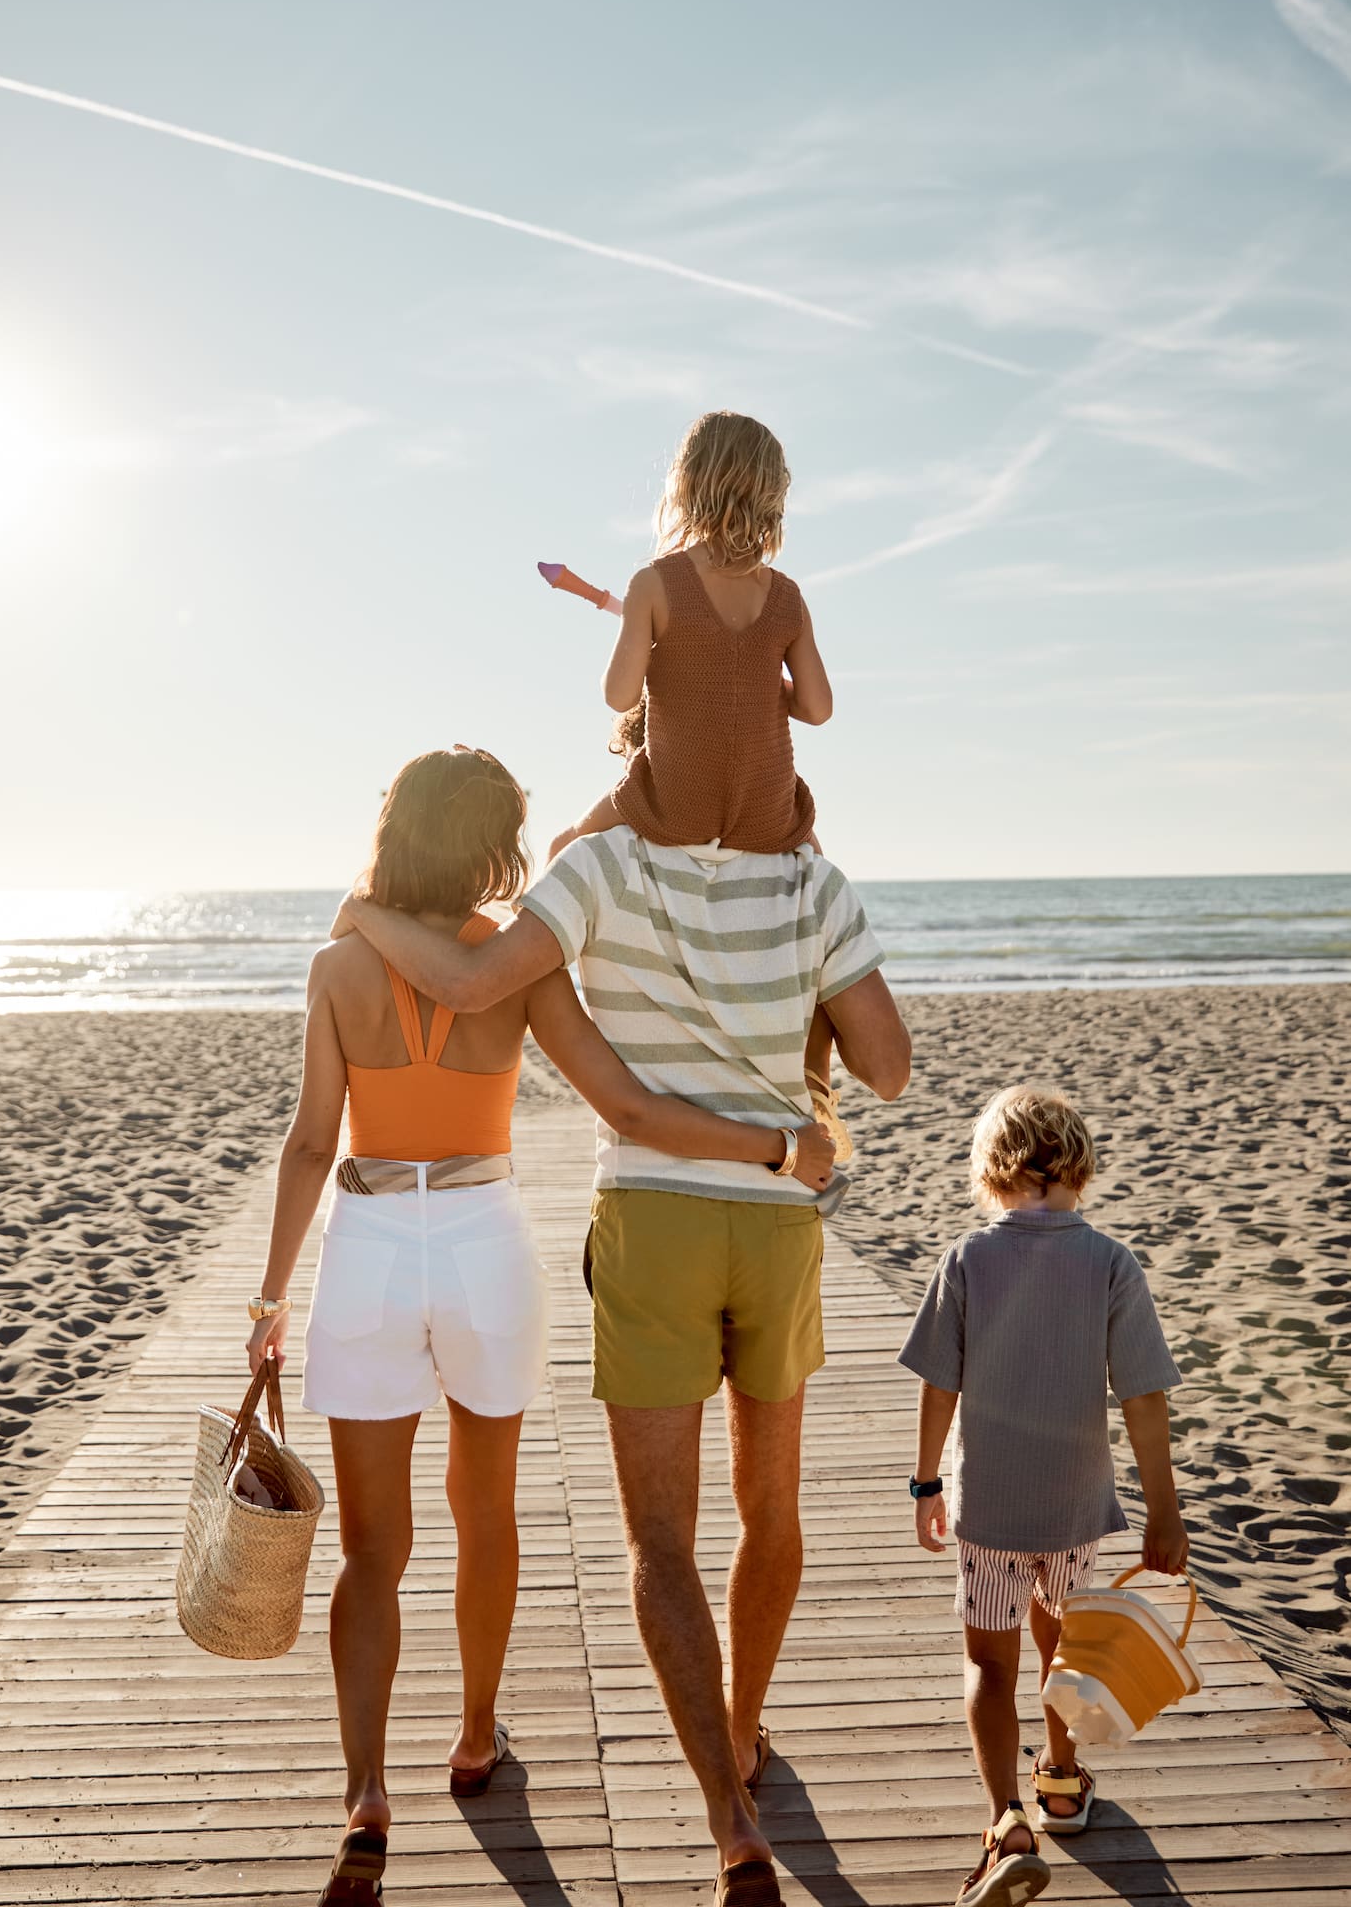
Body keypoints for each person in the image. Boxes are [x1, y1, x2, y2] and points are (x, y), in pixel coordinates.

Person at [246, 747, 835, 1907]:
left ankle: (365, 1793)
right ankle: (474, 1735)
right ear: (490, 845)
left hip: (367, 1243)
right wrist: (772, 1145)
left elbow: (313, 1141)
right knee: (488, 1511)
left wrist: (268, 1303)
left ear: (394, 830)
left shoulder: (335, 964)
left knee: (374, 1549)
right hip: (482, 1241)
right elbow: (620, 1100)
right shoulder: (517, 958)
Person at [898, 1086, 1188, 1907]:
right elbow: (1143, 1396)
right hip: (1072, 1505)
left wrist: (926, 1482)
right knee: (1065, 1644)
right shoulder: (1109, 1262)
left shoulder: (966, 1259)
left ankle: (1006, 1824)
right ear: (1079, 1168)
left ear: (990, 1171)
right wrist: (1162, 1511)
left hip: (987, 1503)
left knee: (989, 1664)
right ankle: (1060, 1779)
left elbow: (937, 1385)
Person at [545, 409, 843, 1144]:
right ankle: (815, 1083)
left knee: (560, 848)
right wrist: (747, 682)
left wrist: (666, 657)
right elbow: (818, 707)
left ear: (685, 487)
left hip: (671, 805)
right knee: (825, 913)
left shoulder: (655, 582)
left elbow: (619, 697)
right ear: (774, 494)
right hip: (770, 819)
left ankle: (620, 1020)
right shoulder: (787, 596)